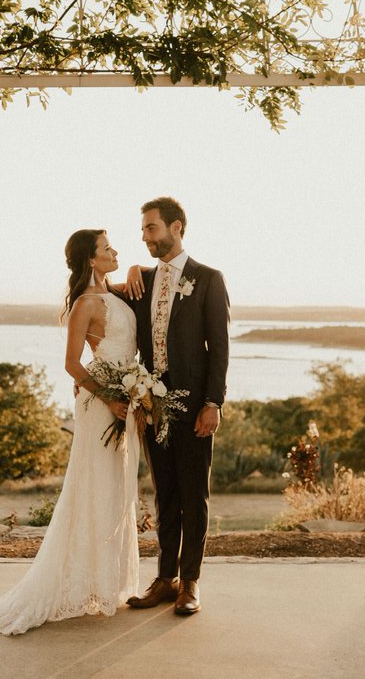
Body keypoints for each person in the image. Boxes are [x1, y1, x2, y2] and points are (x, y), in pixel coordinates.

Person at [0, 229, 141, 636]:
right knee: (94, 486)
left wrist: (134, 266)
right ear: (90, 260)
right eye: (107, 248)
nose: (115, 251)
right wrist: (111, 398)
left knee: (116, 488)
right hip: (102, 404)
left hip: (124, 397)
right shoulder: (85, 303)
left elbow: (141, 279)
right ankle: (84, 583)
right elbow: (73, 364)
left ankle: (107, 583)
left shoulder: (113, 293)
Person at [124, 196, 230, 616]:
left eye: (151, 228)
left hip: (193, 408)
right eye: (144, 229)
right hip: (152, 405)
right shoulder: (143, 281)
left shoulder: (208, 279)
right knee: (164, 495)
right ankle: (164, 578)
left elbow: (219, 348)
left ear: (176, 227)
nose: (145, 236)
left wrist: (213, 403)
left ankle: (190, 583)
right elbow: (103, 297)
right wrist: (133, 270)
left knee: (194, 496)